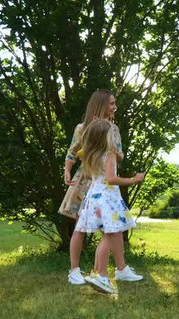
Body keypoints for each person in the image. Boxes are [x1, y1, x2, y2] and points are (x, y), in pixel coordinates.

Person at [59, 89, 142, 285]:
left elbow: (119, 156)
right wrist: (67, 170)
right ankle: (74, 270)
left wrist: (109, 150)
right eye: (111, 103)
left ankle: (121, 269)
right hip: (85, 181)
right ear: (101, 105)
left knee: (112, 228)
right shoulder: (82, 128)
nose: (115, 107)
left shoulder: (113, 129)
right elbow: (72, 152)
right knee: (80, 228)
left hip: (103, 179)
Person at [75, 119, 144, 294]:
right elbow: (111, 179)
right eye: (111, 134)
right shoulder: (109, 154)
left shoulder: (90, 155)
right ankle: (102, 276)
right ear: (105, 137)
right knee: (110, 234)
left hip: (95, 197)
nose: (114, 137)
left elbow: (93, 177)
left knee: (109, 234)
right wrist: (133, 180)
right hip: (107, 198)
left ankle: (98, 273)